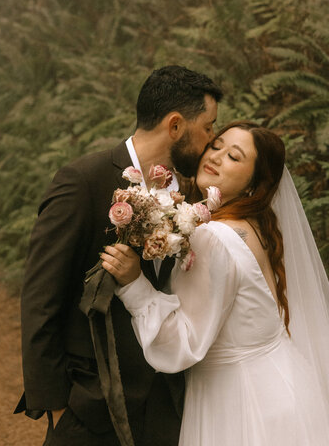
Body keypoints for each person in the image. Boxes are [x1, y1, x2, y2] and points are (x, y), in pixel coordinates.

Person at [14, 65, 223, 446]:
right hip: (90, 405)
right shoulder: (83, 181)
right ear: (175, 125)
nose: (212, 140)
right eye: (208, 127)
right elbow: (40, 299)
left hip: (165, 407)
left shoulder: (192, 197)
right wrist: (57, 409)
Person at [102, 121, 329, 446]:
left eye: (234, 157)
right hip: (283, 387)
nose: (217, 156)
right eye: (217, 144)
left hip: (241, 402)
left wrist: (134, 285)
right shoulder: (255, 225)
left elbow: (183, 344)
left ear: (254, 183)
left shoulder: (213, 237)